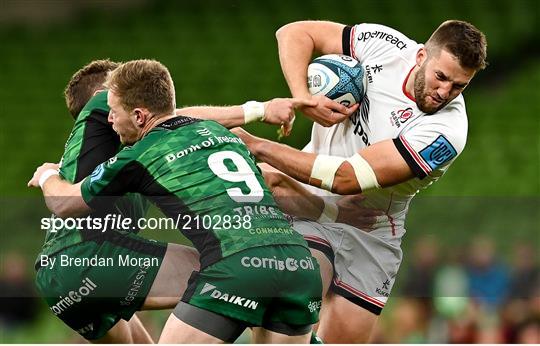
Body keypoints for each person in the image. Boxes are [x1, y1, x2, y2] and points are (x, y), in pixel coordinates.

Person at [29, 59, 322, 343]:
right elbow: (175, 116)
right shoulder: (124, 130)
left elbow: (170, 117)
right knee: (238, 266)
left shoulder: (116, 148)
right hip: (89, 255)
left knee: (240, 276)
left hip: (64, 273)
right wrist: (259, 109)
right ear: (102, 94)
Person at [232, 19, 488, 343]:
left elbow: (346, 178)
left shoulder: (448, 132)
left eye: (459, 86)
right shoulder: (386, 46)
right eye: (442, 77)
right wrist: (303, 98)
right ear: (421, 56)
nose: (444, 92)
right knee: (294, 308)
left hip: (374, 230)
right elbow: (294, 33)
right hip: (310, 200)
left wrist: (260, 146)